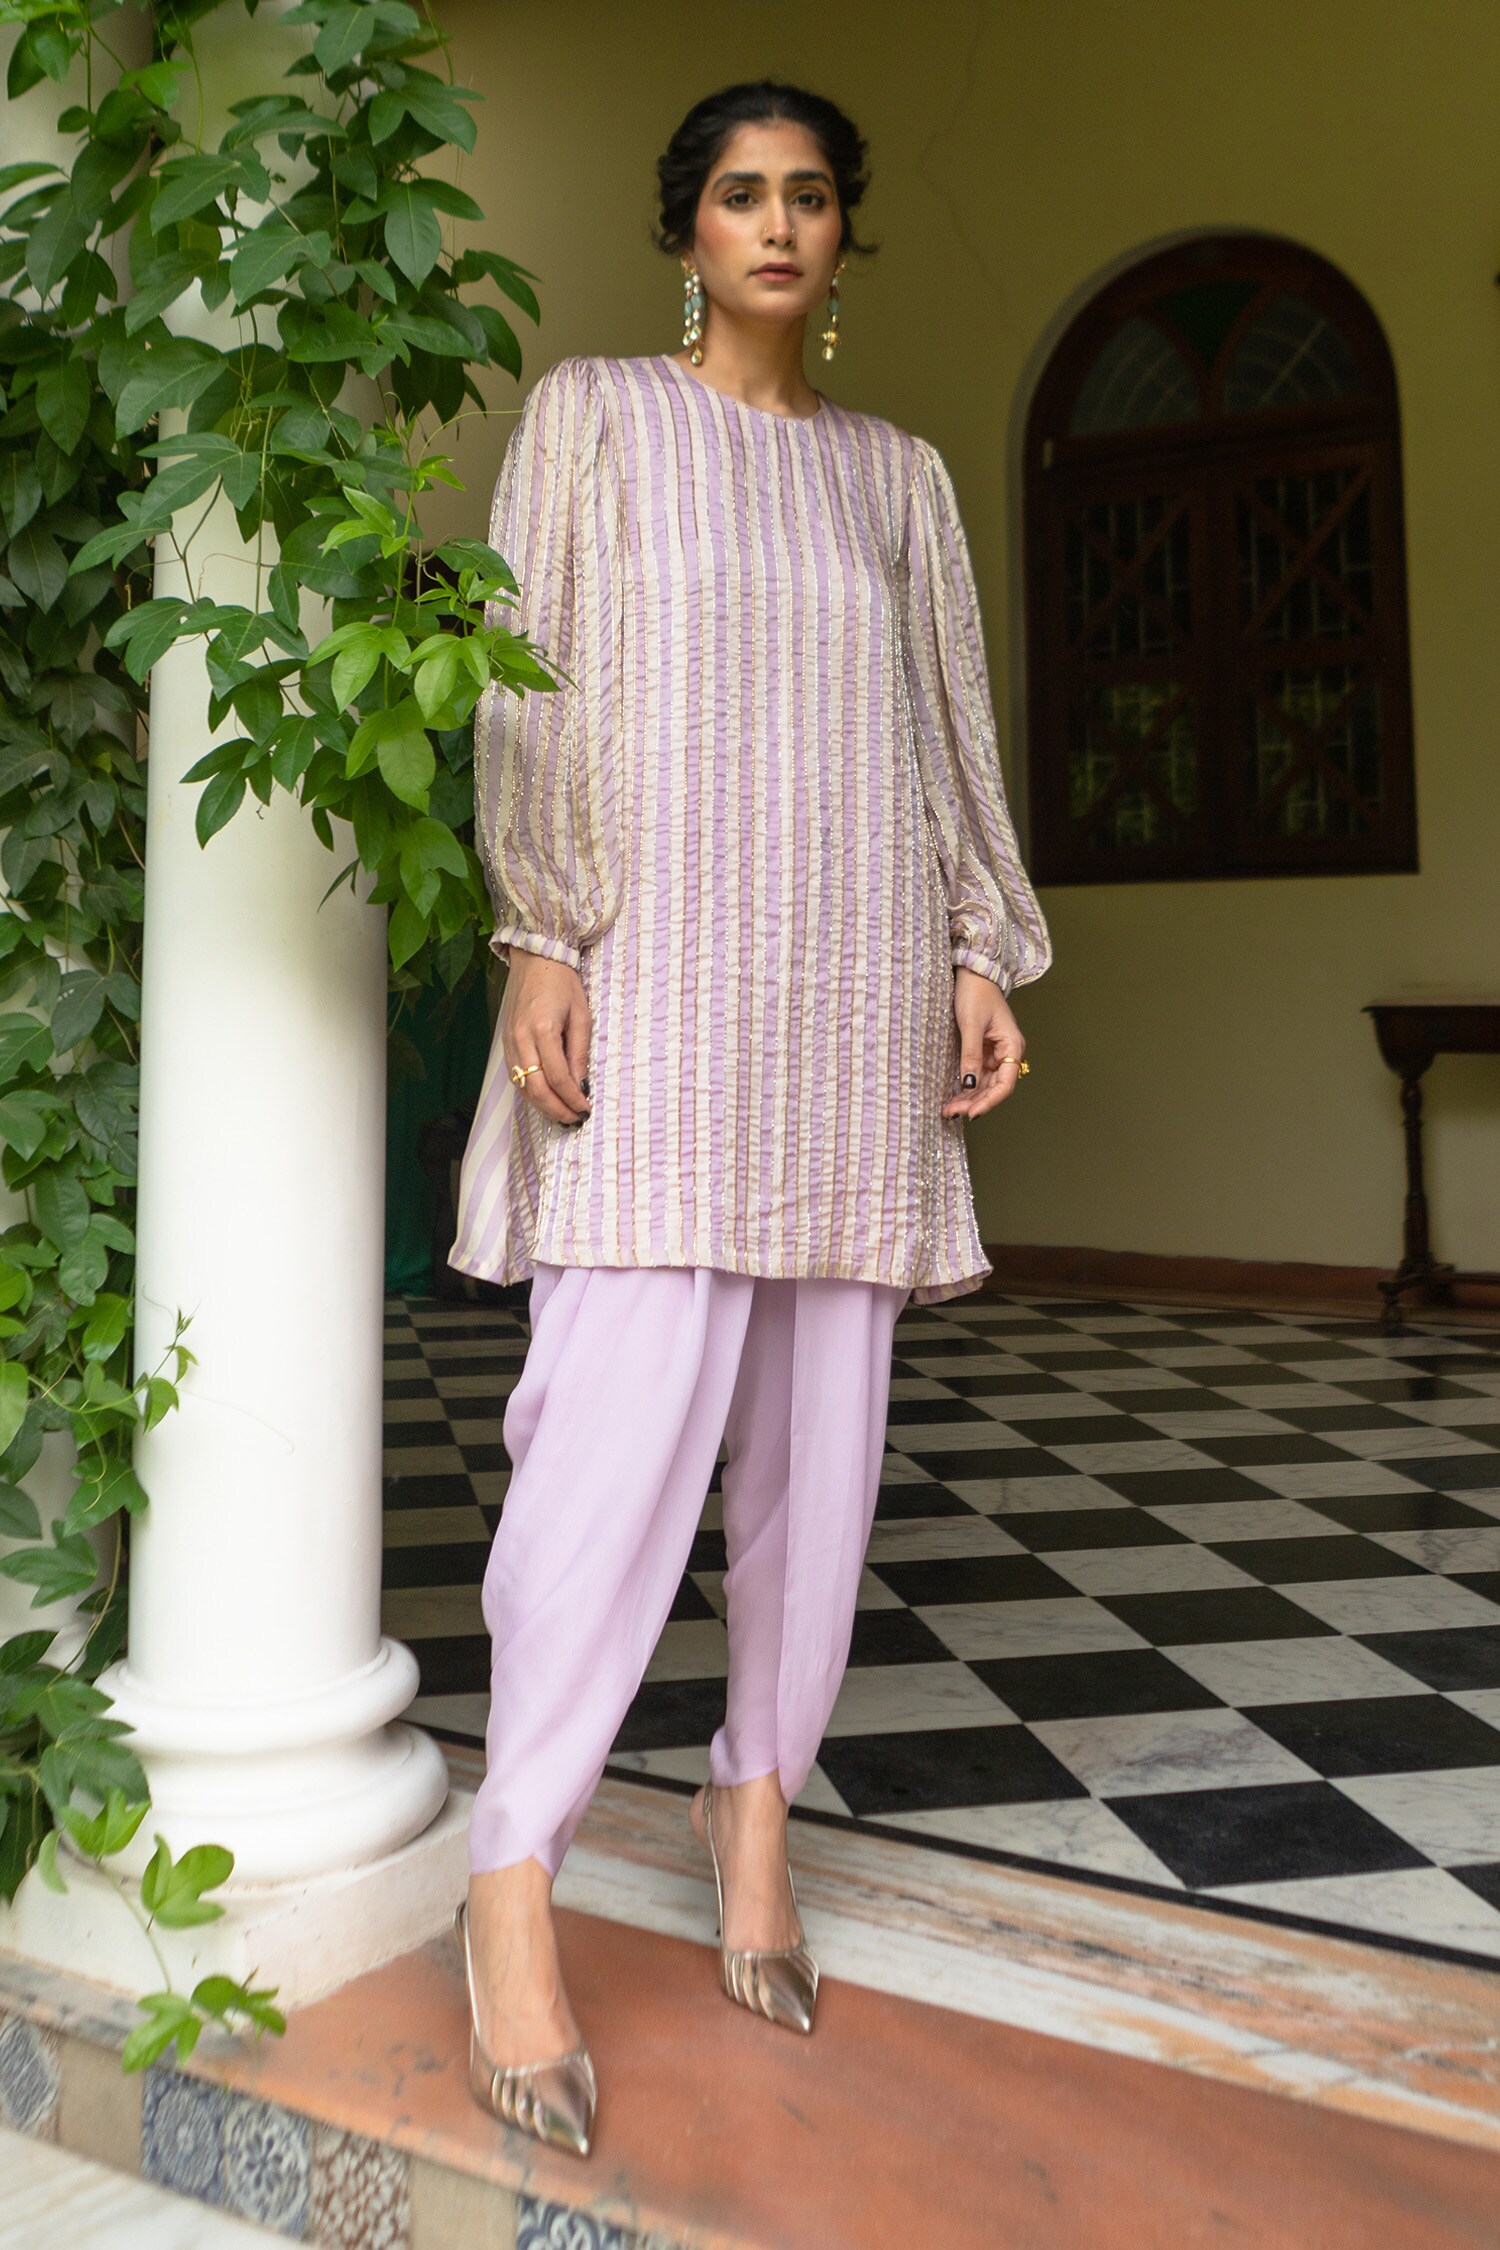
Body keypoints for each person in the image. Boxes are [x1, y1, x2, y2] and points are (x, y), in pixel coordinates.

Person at [448, 78, 1052, 2156]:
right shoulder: (594, 420)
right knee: (602, 1456)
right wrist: (543, 931)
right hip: (659, 985)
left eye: (807, 197)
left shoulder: (898, 478)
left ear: (841, 234)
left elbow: (948, 730)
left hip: (850, 1000)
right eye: (738, 195)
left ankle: (754, 1805)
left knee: (822, 1450)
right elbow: (530, 676)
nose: (776, 225)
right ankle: (512, 1871)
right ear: (686, 230)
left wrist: (975, 945)